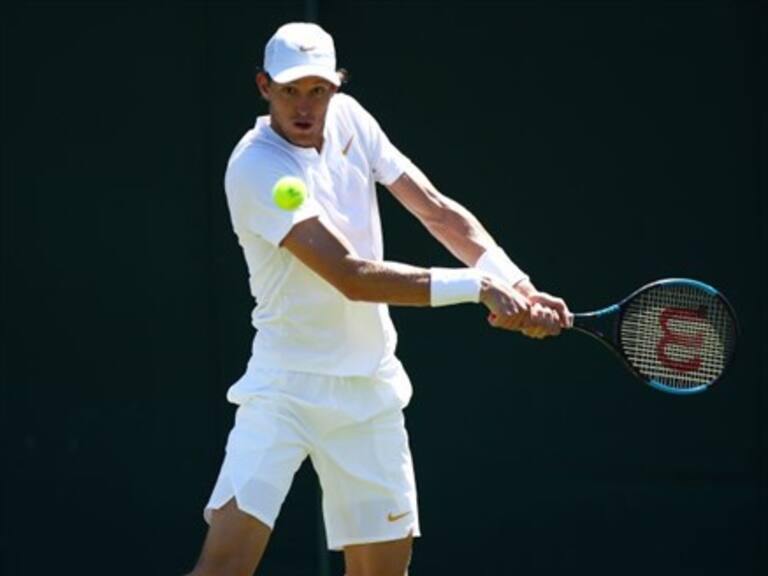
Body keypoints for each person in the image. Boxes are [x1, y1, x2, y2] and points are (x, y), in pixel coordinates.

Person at [185, 22, 571, 576]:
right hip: (285, 390)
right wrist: (478, 288)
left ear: (336, 86)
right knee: (224, 568)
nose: (304, 106)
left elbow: (435, 210)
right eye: (290, 90)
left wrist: (519, 285)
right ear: (264, 86)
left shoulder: (352, 120)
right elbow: (351, 277)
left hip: (369, 391)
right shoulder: (255, 167)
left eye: (318, 90)